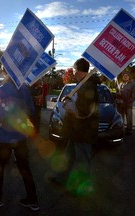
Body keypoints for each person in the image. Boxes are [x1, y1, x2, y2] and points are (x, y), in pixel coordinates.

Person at [0, 69, 39, 211]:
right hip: (21, 135)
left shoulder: (2, 89)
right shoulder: (24, 89)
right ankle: (33, 200)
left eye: (2, 71)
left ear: (5, 72)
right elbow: (31, 110)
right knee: (25, 168)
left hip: (5, 137)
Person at [49, 58, 100, 196]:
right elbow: (79, 103)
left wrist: (68, 105)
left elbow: (83, 111)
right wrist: (70, 100)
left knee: (83, 161)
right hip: (76, 130)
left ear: (79, 70)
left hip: (84, 131)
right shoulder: (83, 84)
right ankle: (61, 179)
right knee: (69, 156)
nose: (74, 72)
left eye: (75, 69)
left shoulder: (88, 86)